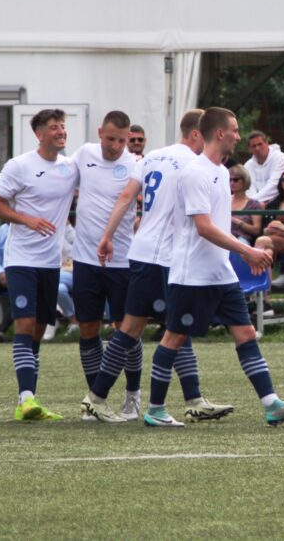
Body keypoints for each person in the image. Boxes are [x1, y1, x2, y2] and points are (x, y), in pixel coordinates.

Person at [142, 106, 284, 427]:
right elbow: (204, 227)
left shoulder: (221, 172)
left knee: (246, 333)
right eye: (234, 130)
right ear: (219, 133)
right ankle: (155, 410)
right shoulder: (194, 172)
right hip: (192, 276)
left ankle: (271, 404)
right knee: (174, 338)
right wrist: (246, 251)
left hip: (220, 273)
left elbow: (218, 226)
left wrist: (239, 255)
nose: (238, 135)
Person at [81, 109, 234, 423]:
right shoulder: (195, 164)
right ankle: (101, 398)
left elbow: (126, 196)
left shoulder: (152, 157)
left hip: (141, 251)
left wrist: (107, 236)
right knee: (165, 327)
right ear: (196, 133)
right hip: (166, 256)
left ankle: (189, 398)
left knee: (145, 328)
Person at [0, 108, 79, 421]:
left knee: (39, 329)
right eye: (53, 127)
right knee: (24, 325)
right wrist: (26, 219)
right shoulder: (20, 166)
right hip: (21, 260)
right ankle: (26, 398)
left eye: (62, 126)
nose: (61, 131)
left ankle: (28, 400)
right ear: (39, 134)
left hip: (52, 264)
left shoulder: (70, 167)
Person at [62, 110, 138, 418]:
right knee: (88, 328)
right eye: (110, 139)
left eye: (122, 140)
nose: (116, 146)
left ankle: (132, 396)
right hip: (85, 260)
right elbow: (59, 179)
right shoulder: (84, 154)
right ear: (99, 133)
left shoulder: (135, 164)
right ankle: (97, 400)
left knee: (127, 329)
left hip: (122, 261)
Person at [43, 216, 78, 340]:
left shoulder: (69, 231)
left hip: (74, 272)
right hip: (58, 273)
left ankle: (51, 319)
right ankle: (73, 321)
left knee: (47, 281)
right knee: (59, 289)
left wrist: (66, 225)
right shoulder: (44, 233)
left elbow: (75, 244)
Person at [245, 130, 284, 205]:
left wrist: (253, 203)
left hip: (280, 203)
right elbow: (248, 188)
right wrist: (255, 205)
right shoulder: (247, 165)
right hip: (255, 206)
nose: (257, 148)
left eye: (260, 144)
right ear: (249, 149)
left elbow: (274, 186)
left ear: (267, 143)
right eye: (254, 146)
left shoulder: (280, 158)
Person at [230, 164, 263, 245]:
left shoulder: (253, 204)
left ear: (244, 181)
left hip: (242, 238)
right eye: (229, 180)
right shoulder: (224, 200)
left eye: (236, 180)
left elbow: (256, 230)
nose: (232, 183)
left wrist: (237, 221)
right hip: (223, 236)